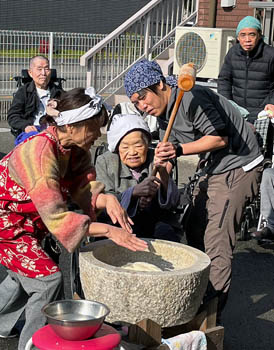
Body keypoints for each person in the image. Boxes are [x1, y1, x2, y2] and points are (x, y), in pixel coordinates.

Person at [0, 87, 147, 349]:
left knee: (22, 273)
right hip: (7, 222)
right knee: (47, 280)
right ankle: (33, 345)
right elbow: (57, 216)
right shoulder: (39, 153)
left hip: (28, 220)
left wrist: (107, 199)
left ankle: (2, 324)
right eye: (93, 127)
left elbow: (83, 188)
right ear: (71, 126)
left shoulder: (75, 149)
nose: (98, 134)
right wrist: (110, 231)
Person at [124, 59, 263, 321]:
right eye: (136, 103)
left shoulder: (190, 97)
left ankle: (209, 320)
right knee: (194, 226)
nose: (142, 106)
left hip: (238, 164)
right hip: (212, 166)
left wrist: (177, 150)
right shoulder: (164, 113)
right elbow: (167, 157)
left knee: (216, 242)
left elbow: (219, 138)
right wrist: (155, 182)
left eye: (143, 97)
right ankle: (197, 296)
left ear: (161, 85)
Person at [95, 113, 181, 242]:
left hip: (153, 223)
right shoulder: (105, 162)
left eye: (138, 145)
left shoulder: (157, 158)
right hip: (118, 225)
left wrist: (163, 172)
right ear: (117, 148)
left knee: (166, 233)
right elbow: (102, 204)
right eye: (125, 147)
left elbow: (173, 202)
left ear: (147, 145)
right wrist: (133, 195)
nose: (133, 152)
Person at [217, 16, 274, 123]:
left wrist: (272, 103)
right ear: (238, 37)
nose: (247, 39)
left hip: (263, 113)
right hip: (237, 111)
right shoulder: (233, 53)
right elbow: (224, 80)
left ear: (259, 35)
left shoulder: (270, 55)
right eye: (243, 35)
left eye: (252, 34)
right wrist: (227, 102)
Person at [7, 55, 63, 139]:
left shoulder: (59, 92)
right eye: (39, 69)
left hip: (53, 130)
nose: (43, 73)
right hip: (31, 130)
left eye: (46, 69)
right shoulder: (23, 92)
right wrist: (25, 126)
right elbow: (13, 115)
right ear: (30, 73)